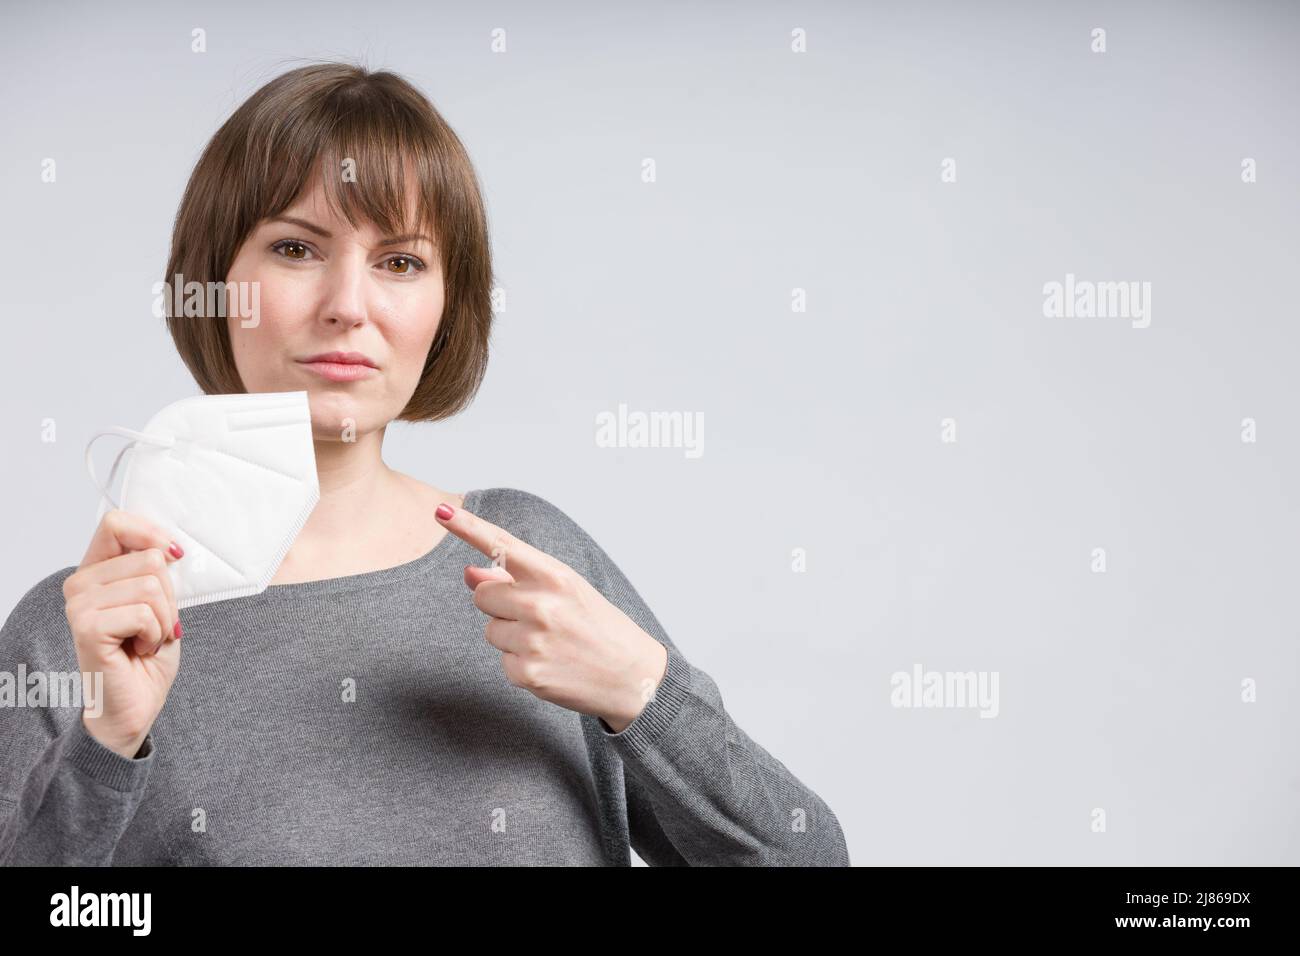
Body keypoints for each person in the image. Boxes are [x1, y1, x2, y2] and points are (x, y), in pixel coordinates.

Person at [0, 62, 849, 866]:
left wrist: (644, 695)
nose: (347, 307)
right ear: (216, 281)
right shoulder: (75, 630)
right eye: (296, 249)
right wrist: (106, 745)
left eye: (400, 263)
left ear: (446, 307)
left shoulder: (529, 558)